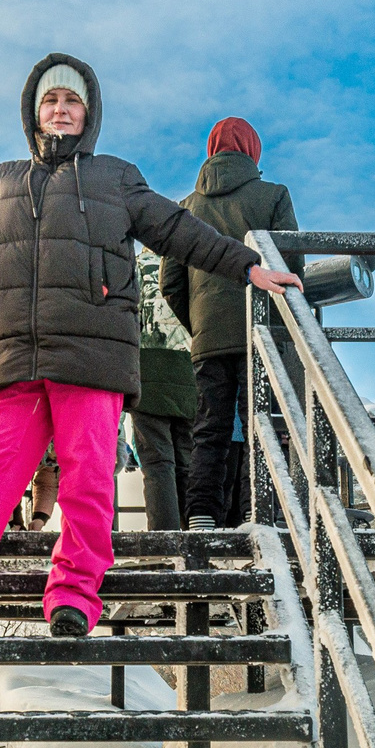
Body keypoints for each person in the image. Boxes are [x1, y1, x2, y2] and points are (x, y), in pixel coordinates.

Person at [0, 55, 301, 638]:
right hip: (14, 356)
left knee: (88, 480)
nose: (61, 110)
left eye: (71, 102)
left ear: (88, 113)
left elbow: (182, 233)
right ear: (34, 112)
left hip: (92, 353)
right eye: (51, 101)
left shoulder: (116, 179)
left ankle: (74, 595)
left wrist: (250, 267)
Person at [161, 117, 299, 529]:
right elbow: (290, 267)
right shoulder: (274, 195)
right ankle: (258, 512)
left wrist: (200, 325)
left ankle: (201, 513)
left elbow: (171, 283)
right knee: (262, 424)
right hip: (260, 335)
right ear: (252, 150)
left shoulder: (186, 207)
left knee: (209, 428)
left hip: (208, 337)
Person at [130, 254, 198, 530]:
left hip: (147, 369)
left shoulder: (133, 263)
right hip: (190, 368)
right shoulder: (191, 262)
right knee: (189, 461)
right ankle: (194, 542)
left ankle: (164, 544)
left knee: (157, 463)